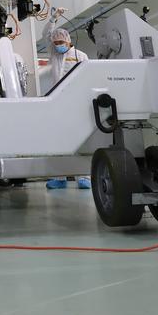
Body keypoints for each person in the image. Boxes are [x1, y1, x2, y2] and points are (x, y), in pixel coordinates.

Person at [42, 23, 91, 191]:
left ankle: (84, 177)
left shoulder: (81, 55)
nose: (58, 45)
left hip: (77, 102)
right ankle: (59, 177)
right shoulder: (54, 55)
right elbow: (47, 35)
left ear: (69, 41)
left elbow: (88, 77)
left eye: (61, 42)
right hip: (57, 101)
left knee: (80, 140)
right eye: (56, 43)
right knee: (58, 140)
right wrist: (53, 19)